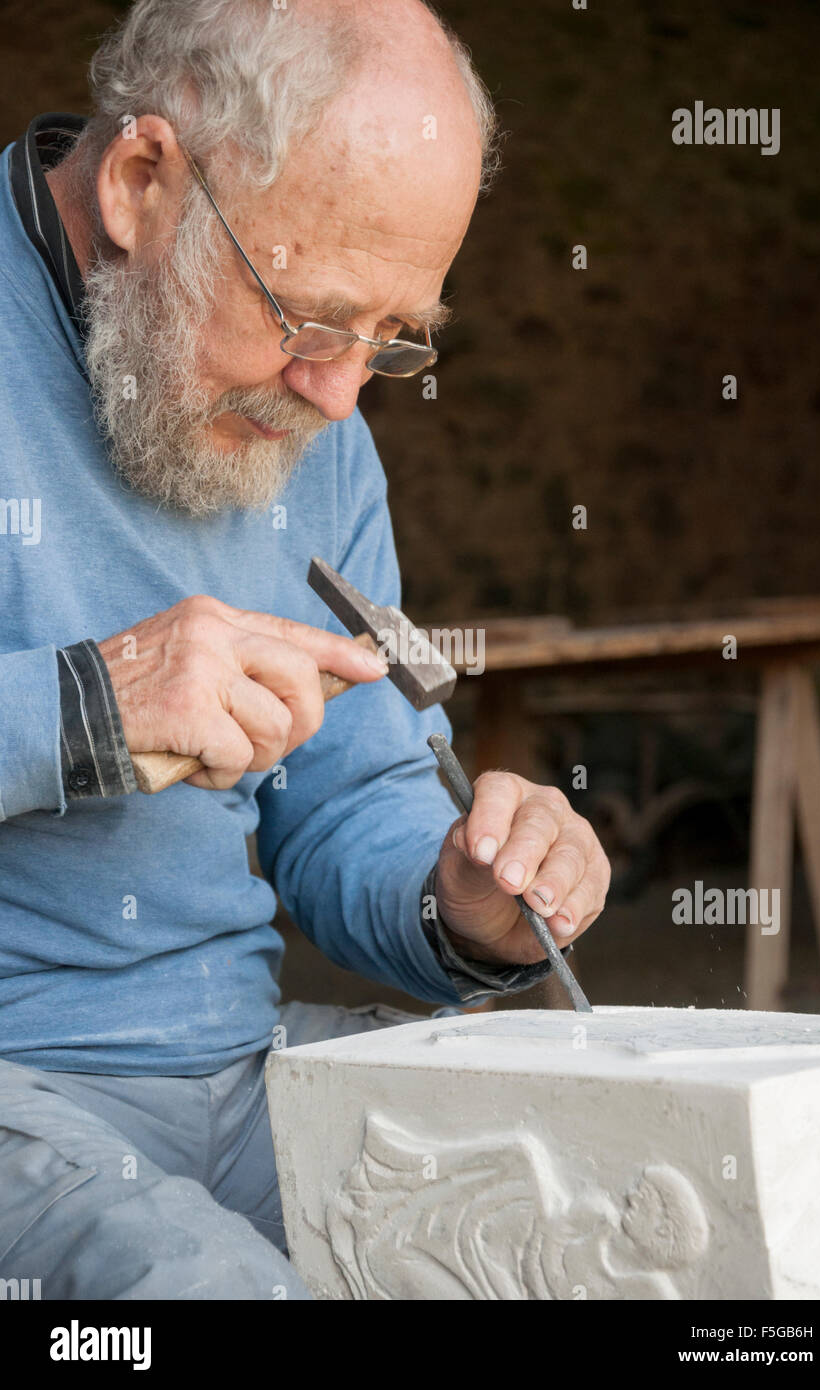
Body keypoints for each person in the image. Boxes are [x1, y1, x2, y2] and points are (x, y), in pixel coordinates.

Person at [0, 0, 610, 1299]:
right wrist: (84, 708)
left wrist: (464, 896)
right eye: (314, 315)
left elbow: (358, 793)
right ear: (140, 181)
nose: (340, 397)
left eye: (395, 335)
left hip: (244, 1065)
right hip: (20, 1084)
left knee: (600, 1224)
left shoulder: (318, 431)